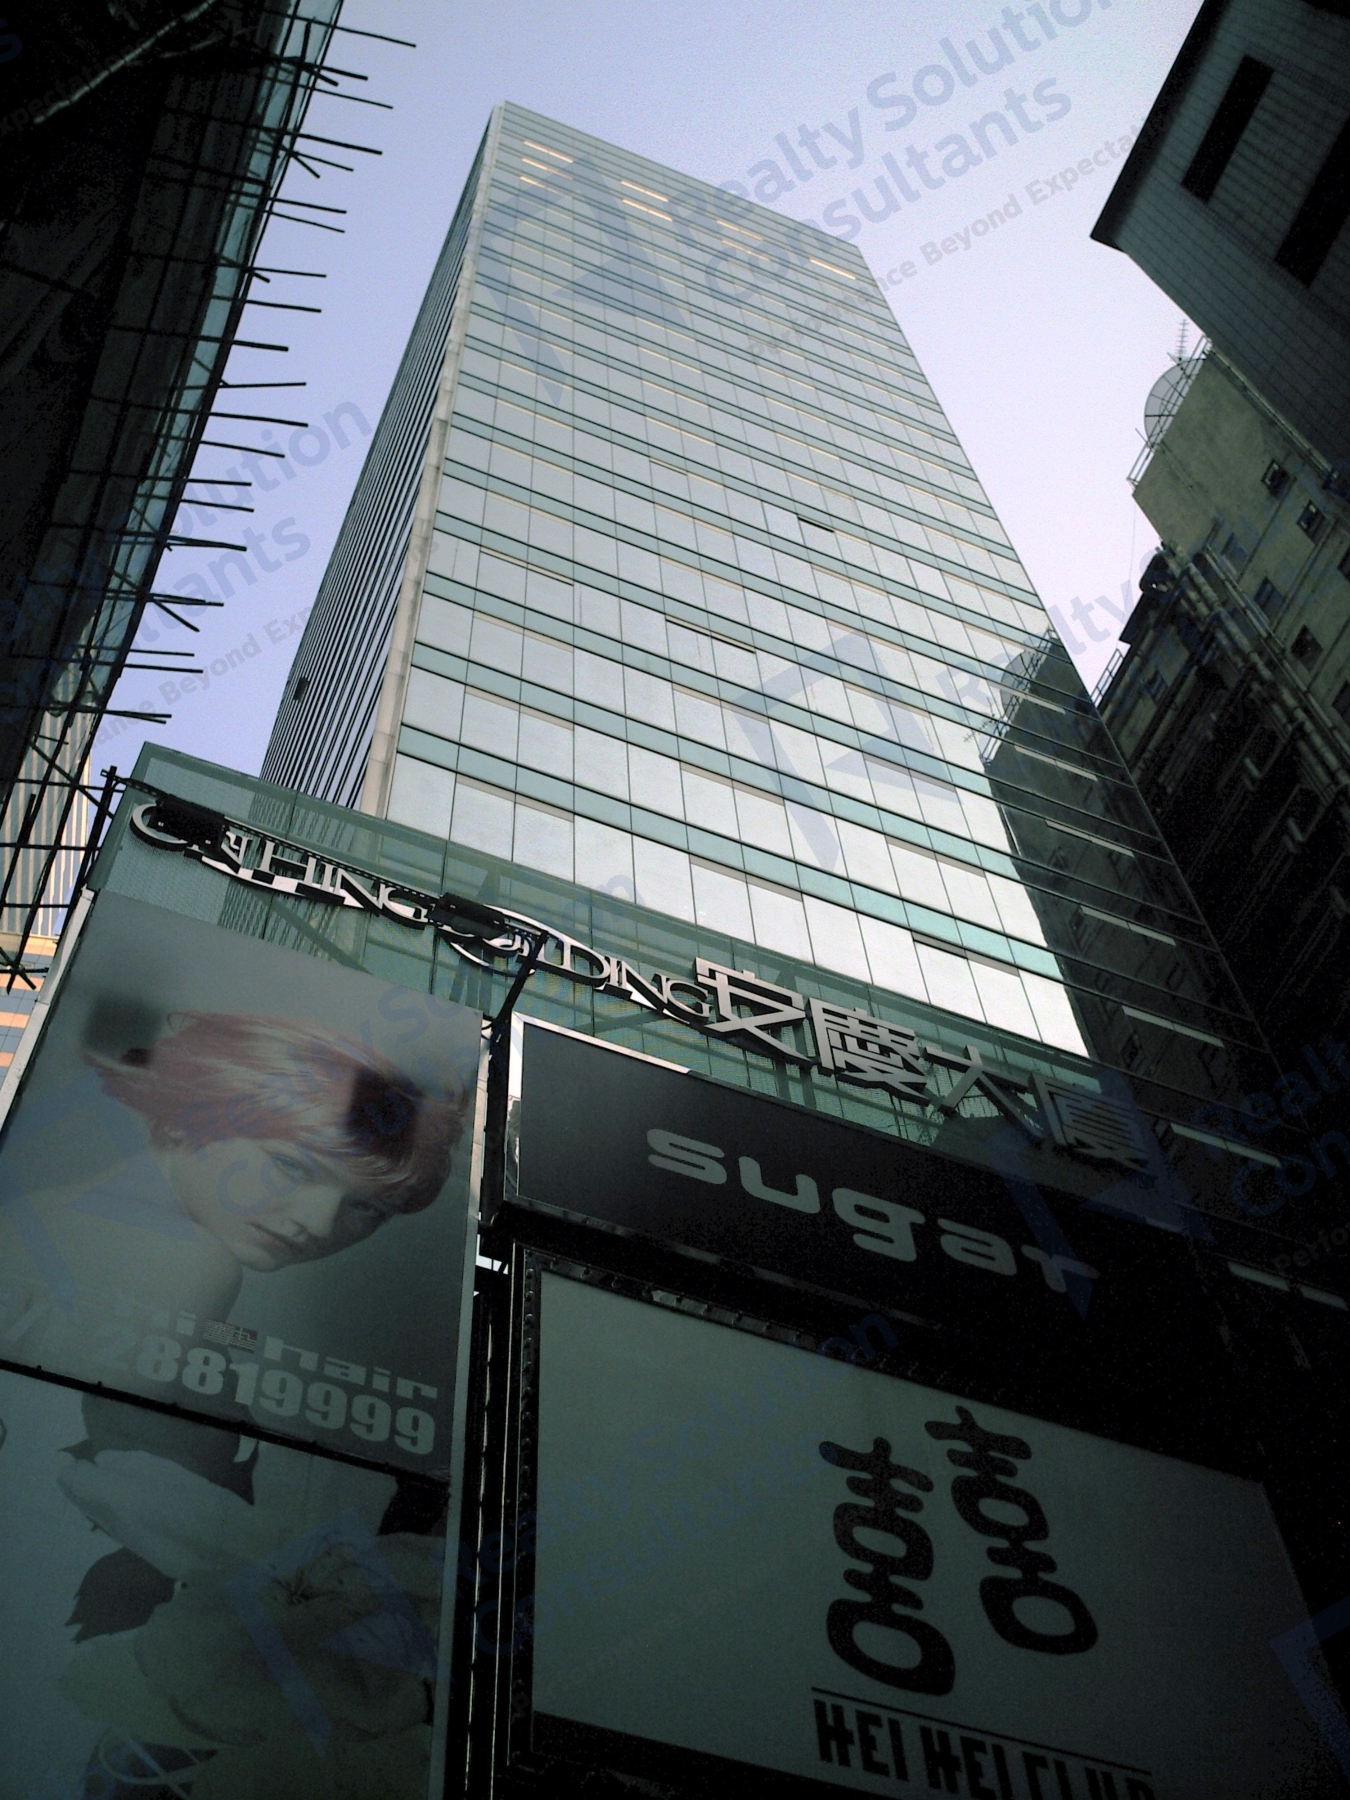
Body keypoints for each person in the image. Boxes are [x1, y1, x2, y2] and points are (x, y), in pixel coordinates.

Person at [75, 1010, 470, 1324]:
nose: (319, 1224)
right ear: (187, 1118)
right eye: (291, 1166)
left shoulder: (72, 1218)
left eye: (368, 1208)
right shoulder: (195, 1266)